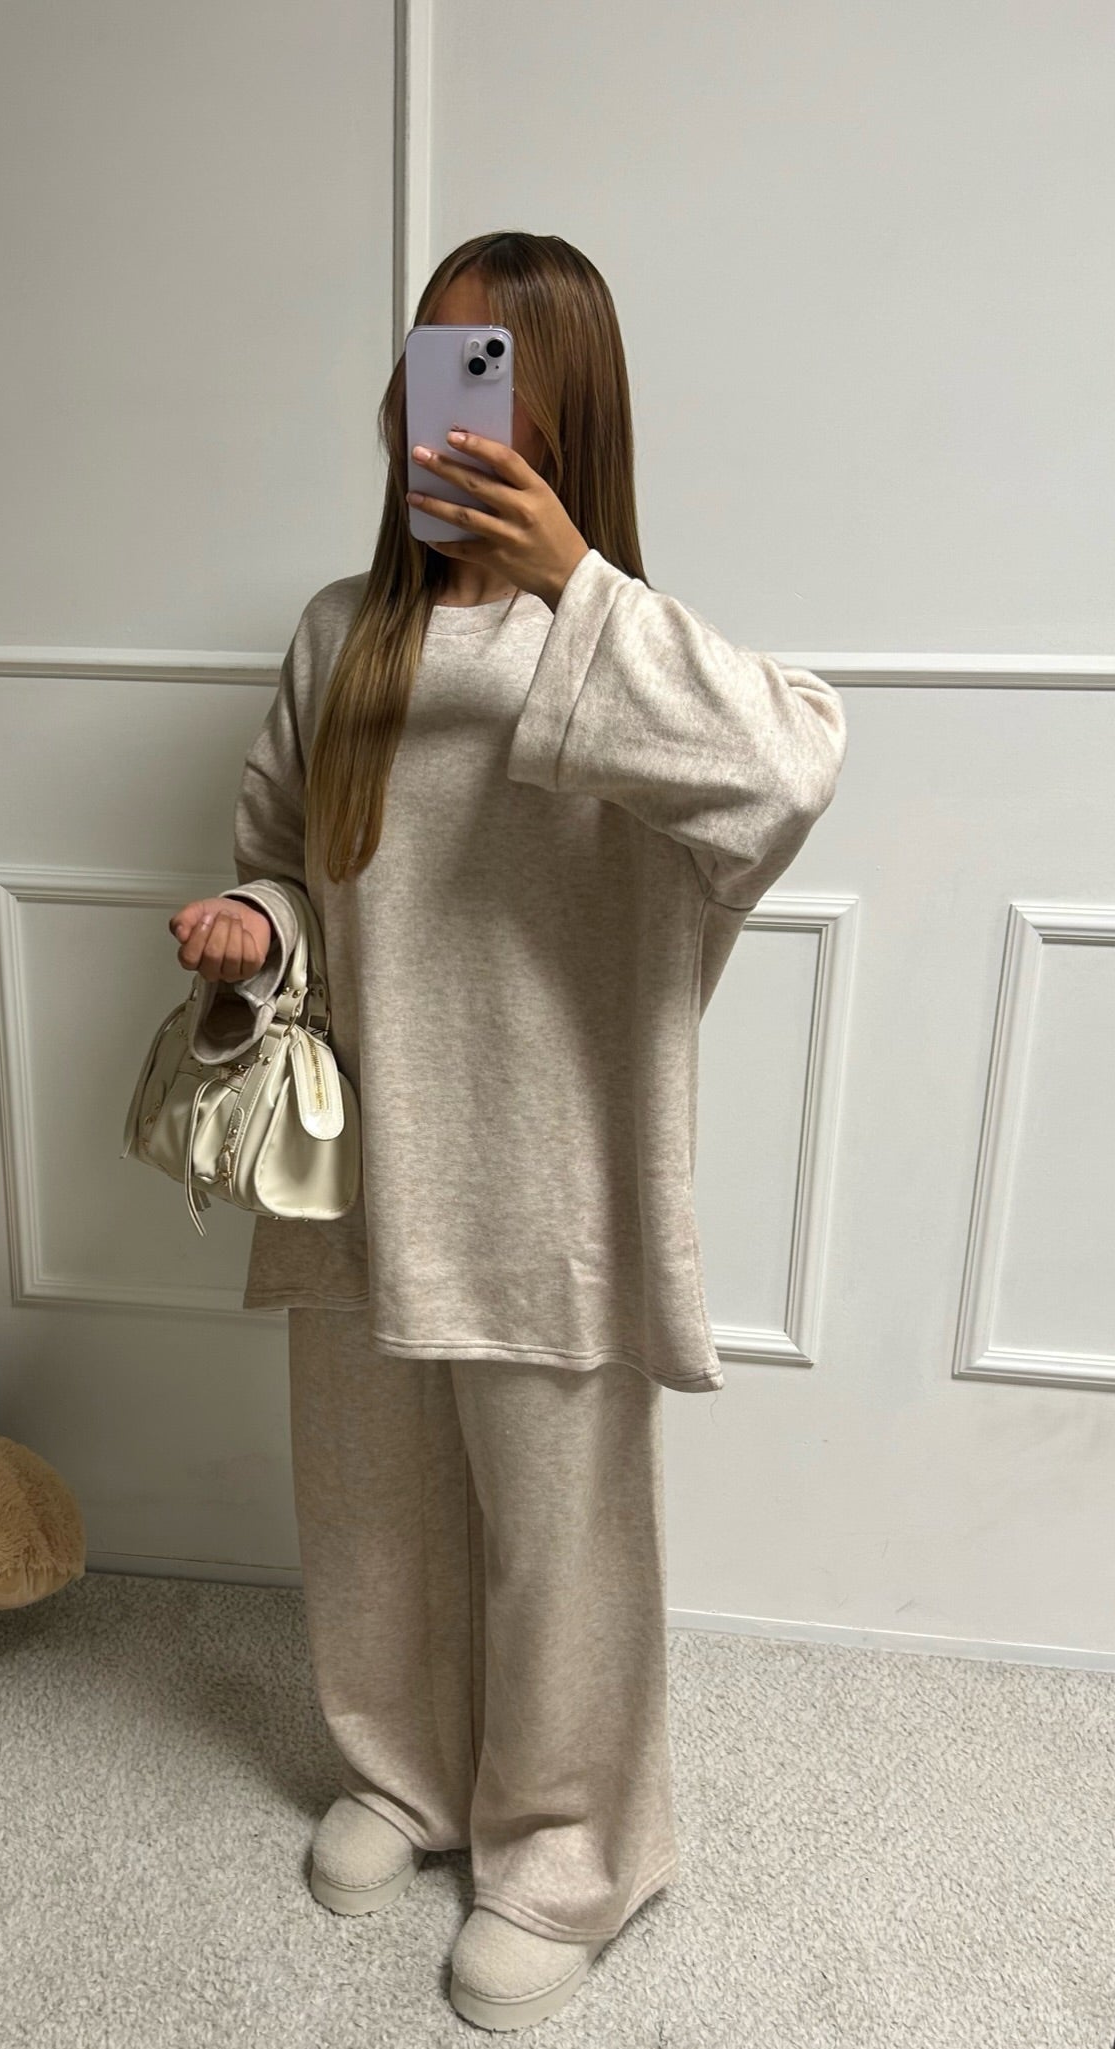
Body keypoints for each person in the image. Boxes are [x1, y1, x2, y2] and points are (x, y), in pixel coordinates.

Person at [167, 231, 847, 2033]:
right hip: (364, 1156)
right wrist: (254, 933)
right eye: (425, 360)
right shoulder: (343, 634)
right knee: (369, 1505)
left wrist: (575, 584)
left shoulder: (624, 650)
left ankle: (567, 1849)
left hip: (552, 1171)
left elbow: (791, 773)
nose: (437, 402)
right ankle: (404, 1773)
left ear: (564, 407)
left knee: (562, 1540)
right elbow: (286, 865)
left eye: (484, 368)